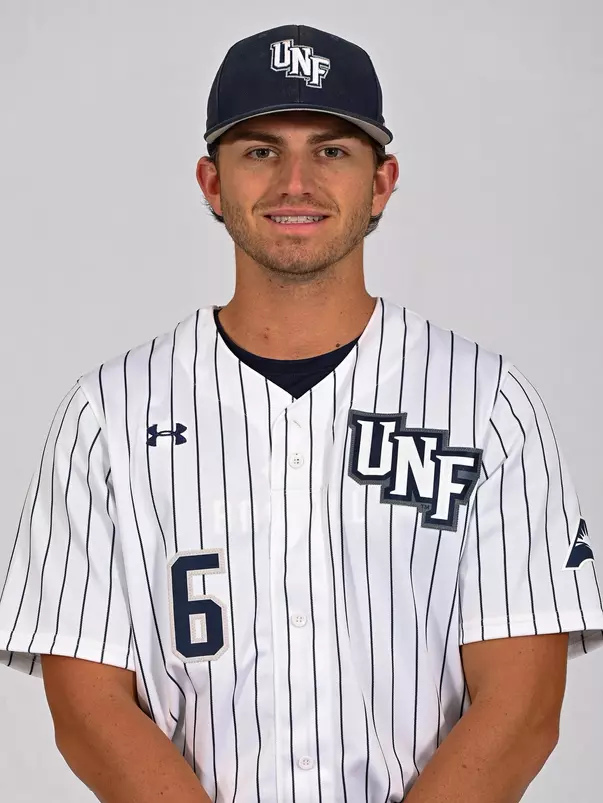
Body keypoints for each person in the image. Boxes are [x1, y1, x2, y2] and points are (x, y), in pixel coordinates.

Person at [0, 22, 601, 803]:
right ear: (211, 183)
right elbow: (87, 708)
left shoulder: (486, 405)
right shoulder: (108, 415)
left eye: (331, 149)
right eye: (259, 150)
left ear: (380, 182)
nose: (295, 182)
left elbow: (520, 710)